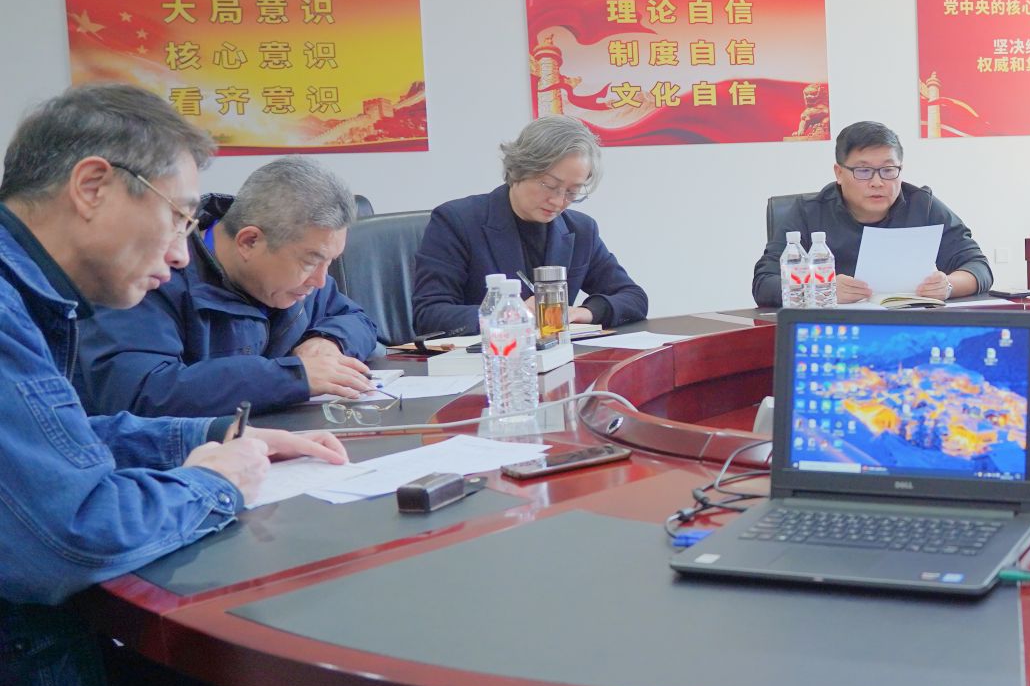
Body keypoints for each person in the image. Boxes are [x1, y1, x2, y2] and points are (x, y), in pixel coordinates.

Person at [0, 84, 348, 686]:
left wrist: (210, 434)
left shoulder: (23, 294)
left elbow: (53, 439)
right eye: (181, 217)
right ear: (93, 186)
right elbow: (77, 533)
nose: (184, 253)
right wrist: (217, 483)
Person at [77, 157, 383, 416]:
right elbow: (141, 391)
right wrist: (292, 376)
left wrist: (328, 341)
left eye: (329, 262)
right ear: (249, 241)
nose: (320, 280)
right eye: (311, 261)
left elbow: (358, 320)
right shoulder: (149, 274)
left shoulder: (299, 280)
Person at [412, 115, 647, 337]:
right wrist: (509, 315)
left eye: (572, 192)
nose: (558, 201)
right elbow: (429, 314)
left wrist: (582, 313)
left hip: (556, 357)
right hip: (487, 357)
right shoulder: (457, 221)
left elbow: (633, 297)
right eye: (549, 185)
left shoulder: (581, 229)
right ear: (519, 169)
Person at [751, 120, 992, 306]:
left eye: (888, 170)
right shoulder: (808, 212)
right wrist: (822, 289)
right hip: (834, 331)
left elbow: (978, 267)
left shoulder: (922, 205)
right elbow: (764, 283)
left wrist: (947, 286)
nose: (878, 182)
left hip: (907, 328)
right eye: (864, 171)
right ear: (839, 173)